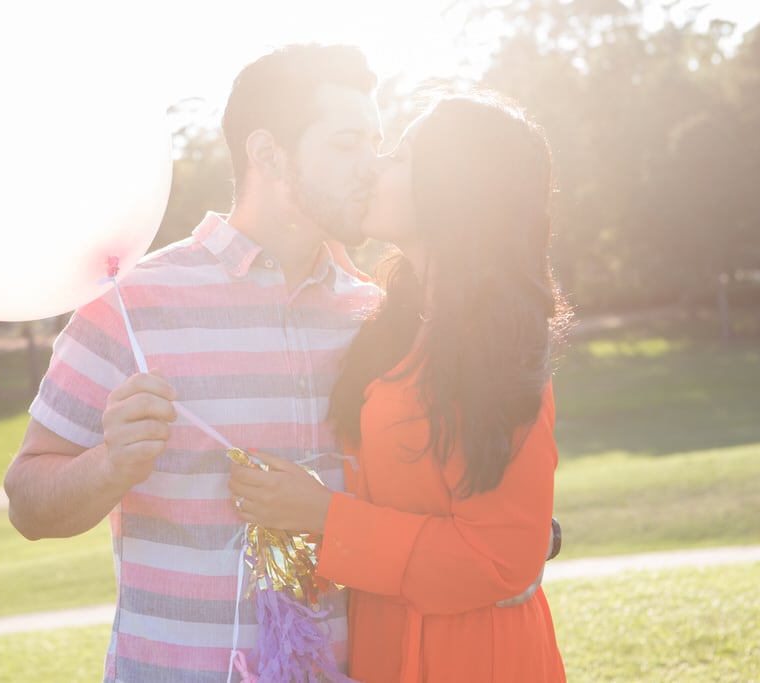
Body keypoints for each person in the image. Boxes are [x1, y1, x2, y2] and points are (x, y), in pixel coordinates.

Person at [4, 43, 383, 682]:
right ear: (268, 155)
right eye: (348, 144)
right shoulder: (130, 308)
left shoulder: (374, 315)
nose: (371, 168)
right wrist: (112, 464)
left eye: (376, 143)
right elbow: (27, 504)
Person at [228, 91, 570, 681]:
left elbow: (499, 559)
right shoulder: (399, 323)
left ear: (453, 191)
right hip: (387, 647)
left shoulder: (496, 348)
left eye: (401, 155)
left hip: (473, 657)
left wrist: (323, 515)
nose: (376, 166)